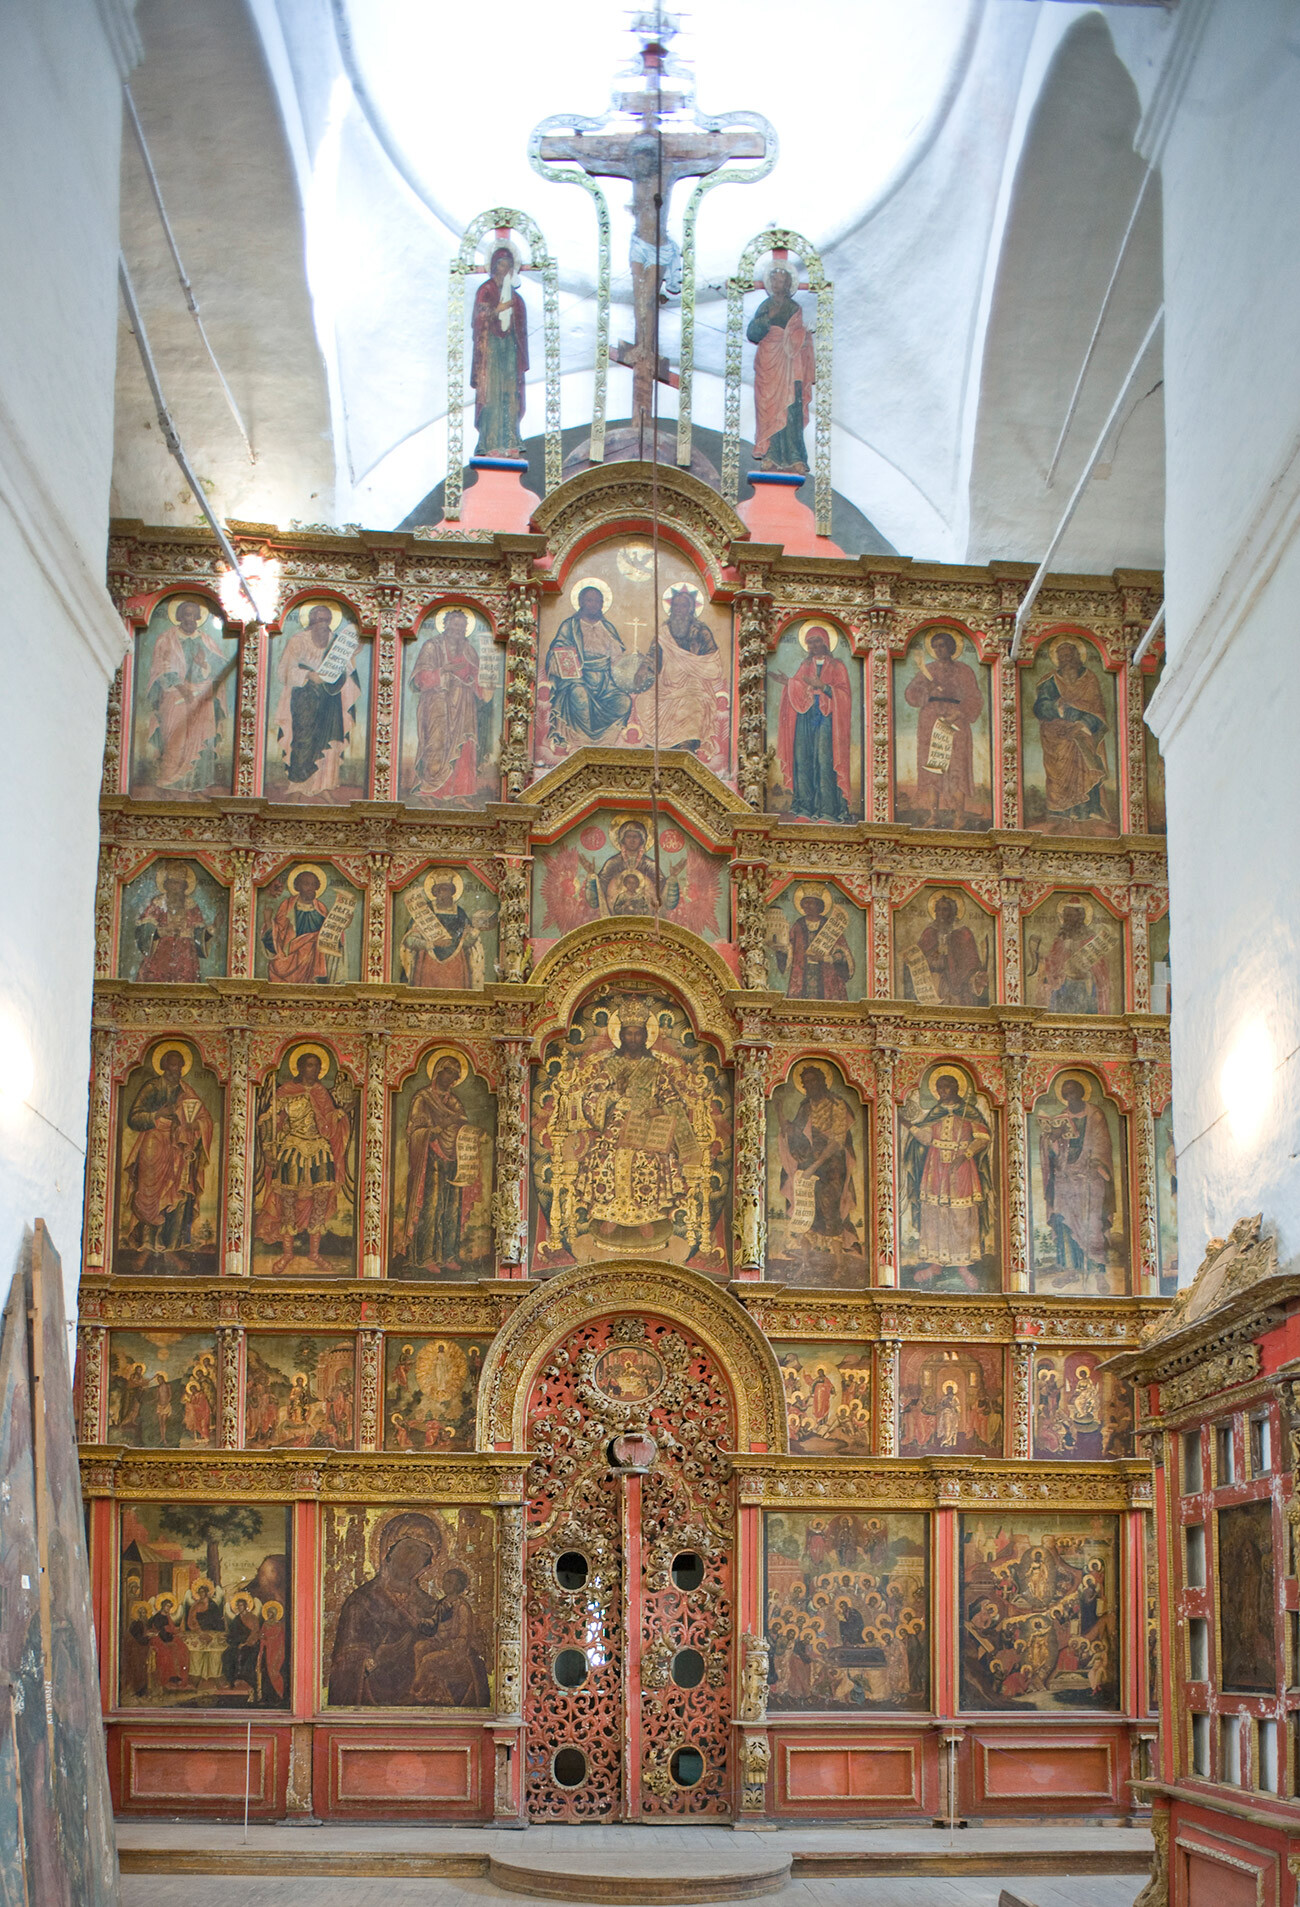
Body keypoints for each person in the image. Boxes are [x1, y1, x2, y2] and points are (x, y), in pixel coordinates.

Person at [562, 1001, 700, 1253]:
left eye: (638, 1033)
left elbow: (672, 1100)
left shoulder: (656, 1069)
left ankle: (647, 1218)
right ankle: (610, 1216)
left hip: (647, 1126)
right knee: (606, 1157)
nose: (633, 1038)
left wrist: (659, 1110)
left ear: (645, 1036)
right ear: (621, 1036)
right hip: (615, 1126)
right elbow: (590, 1097)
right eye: (628, 1033)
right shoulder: (610, 1067)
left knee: (647, 1159)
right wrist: (615, 1093)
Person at [327, 1513, 446, 1706]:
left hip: (422, 1704)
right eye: (409, 1549)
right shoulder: (361, 1601)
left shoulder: (430, 1605)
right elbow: (344, 1665)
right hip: (370, 1702)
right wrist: (376, 1658)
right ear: (388, 1551)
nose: (414, 1559)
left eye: (423, 1554)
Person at [255, 1049, 352, 1272]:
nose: (314, 1069)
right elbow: (274, 1118)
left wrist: (340, 1114)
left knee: (320, 1198)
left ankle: (314, 1253)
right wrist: (267, 1121)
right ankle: (287, 1254)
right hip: (293, 1150)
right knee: (287, 1199)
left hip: (320, 1150)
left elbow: (329, 1120)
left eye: (317, 1066)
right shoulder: (286, 1091)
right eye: (310, 1065)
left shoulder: (321, 1092)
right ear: (300, 1068)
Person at [901, 1071, 994, 1290]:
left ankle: (962, 1266)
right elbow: (927, 1138)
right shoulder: (936, 1112)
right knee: (934, 1213)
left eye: (947, 1087)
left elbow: (983, 1137)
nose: (943, 1092)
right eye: (939, 1088)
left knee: (960, 1214)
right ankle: (935, 1264)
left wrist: (966, 1153)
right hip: (935, 1167)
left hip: (961, 1166)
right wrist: (909, 1125)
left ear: (956, 1089)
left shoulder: (969, 1112)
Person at [123, 1045, 214, 1257]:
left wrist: (195, 1127)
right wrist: (156, 1114)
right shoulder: (152, 1087)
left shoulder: (186, 1092)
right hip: (154, 1144)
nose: (178, 1069)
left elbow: (204, 1118)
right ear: (164, 1066)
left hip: (178, 1149)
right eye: (174, 1065)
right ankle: (147, 1240)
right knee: (150, 1189)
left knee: (178, 1191)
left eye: (181, 1066)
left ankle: (172, 1242)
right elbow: (134, 1117)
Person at [272, 602, 360, 796]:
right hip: (305, 698)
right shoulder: (298, 641)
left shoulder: (336, 642)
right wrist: (308, 675)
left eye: (327, 620)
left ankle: (323, 786)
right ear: (311, 621)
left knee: (328, 742)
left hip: (330, 700)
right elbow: (283, 671)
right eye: (319, 620)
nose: (323, 624)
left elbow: (344, 672)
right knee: (303, 739)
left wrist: (350, 657)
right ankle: (299, 785)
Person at [142, 598, 230, 792]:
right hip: (174, 693)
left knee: (204, 718)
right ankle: (170, 779)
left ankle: (197, 784)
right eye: (186, 615)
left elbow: (219, 668)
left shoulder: (206, 640)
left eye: (194, 615)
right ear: (180, 617)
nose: (190, 619)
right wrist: (182, 688)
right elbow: (160, 668)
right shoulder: (167, 639)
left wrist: (203, 665)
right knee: (175, 733)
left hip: (201, 691)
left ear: (199, 618)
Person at [402, 1055, 479, 1274]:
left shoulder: (453, 1101)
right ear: (438, 1072)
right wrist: (432, 1131)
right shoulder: (423, 1098)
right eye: (449, 1073)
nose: (452, 1079)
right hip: (430, 1158)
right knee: (432, 1204)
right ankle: (425, 1256)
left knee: (452, 1206)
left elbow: (461, 1120)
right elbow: (413, 1131)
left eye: (455, 1076)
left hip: (452, 1156)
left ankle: (449, 1255)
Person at [776, 1063, 861, 1262]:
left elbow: (838, 1141)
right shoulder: (806, 1106)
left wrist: (815, 1166)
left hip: (831, 1164)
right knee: (806, 1209)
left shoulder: (836, 1104)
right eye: (806, 1083)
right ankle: (806, 1261)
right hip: (808, 1162)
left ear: (822, 1082)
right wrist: (779, 1112)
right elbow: (793, 1136)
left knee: (829, 1207)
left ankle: (840, 1264)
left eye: (813, 1081)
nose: (810, 1086)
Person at [1038, 1076, 1116, 1290]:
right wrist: (1052, 1137)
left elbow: (1103, 1145)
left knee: (1093, 1224)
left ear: (1081, 1093)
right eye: (1066, 1094)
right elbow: (1051, 1149)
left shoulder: (1095, 1116)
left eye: (1072, 1093)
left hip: (1090, 1177)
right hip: (1065, 1177)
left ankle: (1098, 1270)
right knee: (1064, 1222)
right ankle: (1070, 1270)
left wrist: (1095, 1160)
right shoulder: (1061, 1118)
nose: (1069, 1097)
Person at [408, 607, 495, 799]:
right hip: (437, 703)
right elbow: (419, 679)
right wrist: (443, 671)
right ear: (445, 626)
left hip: (464, 704)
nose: (458, 630)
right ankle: (429, 792)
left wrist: (483, 687)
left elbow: (478, 678)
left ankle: (461, 794)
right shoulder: (432, 647)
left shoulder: (469, 650)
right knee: (436, 743)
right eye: (454, 625)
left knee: (465, 746)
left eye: (462, 626)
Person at [545, 583, 647, 746]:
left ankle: (606, 741)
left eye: (598, 601)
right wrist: (569, 665)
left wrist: (634, 662)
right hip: (578, 679)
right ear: (581, 602)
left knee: (623, 702)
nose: (594, 604)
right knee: (580, 697)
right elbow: (556, 651)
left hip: (605, 682)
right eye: (590, 600)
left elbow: (617, 660)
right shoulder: (570, 626)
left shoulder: (607, 628)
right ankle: (581, 740)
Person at [902, 631, 986, 825]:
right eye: (936, 646)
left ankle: (959, 816)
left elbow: (974, 697)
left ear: (951, 648)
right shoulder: (928, 670)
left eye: (943, 645)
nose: (939, 650)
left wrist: (957, 714)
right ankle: (933, 815)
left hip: (956, 719)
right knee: (933, 767)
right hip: (930, 720)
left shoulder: (964, 670)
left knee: (957, 766)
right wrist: (927, 690)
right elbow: (911, 694)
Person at [774, 625, 853, 821]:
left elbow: (844, 694)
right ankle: (805, 809)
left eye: (817, 641)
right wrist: (788, 683)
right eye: (810, 642)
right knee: (803, 758)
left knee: (825, 759)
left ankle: (828, 810)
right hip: (806, 715)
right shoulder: (805, 665)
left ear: (825, 642)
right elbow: (800, 685)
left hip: (826, 717)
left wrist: (824, 687)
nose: (814, 646)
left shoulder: (837, 666)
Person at [641, 586, 725, 761]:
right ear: (671, 608)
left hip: (693, 682)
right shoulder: (664, 631)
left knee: (691, 703)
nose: (679, 610)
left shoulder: (701, 631)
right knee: (646, 700)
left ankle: (686, 744)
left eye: (683, 606)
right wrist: (645, 669)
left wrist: (694, 659)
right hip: (666, 683)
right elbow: (653, 656)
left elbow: (712, 661)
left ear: (691, 609)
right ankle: (658, 744)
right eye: (676, 606)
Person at [1032, 640, 1111, 826]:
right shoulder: (1050, 681)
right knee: (1060, 764)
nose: (1066, 660)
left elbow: (1097, 708)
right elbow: (1040, 707)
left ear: (1077, 657)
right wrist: (1056, 708)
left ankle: (1086, 810)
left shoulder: (1089, 679)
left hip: (1083, 730)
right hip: (1056, 732)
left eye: (1069, 656)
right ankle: (1062, 811)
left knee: (1084, 754)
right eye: (1062, 657)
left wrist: (1082, 724)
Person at [747, 267, 815, 471]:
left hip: (790, 362)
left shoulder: (794, 308)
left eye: (782, 281)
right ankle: (771, 452)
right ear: (770, 284)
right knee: (769, 407)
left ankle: (795, 456)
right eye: (775, 281)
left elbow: (798, 333)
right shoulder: (765, 306)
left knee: (791, 406)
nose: (779, 285)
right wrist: (766, 319)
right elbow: (753, 333)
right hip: (770, 360)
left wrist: (802, 336)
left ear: (788, 285)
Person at [471, 246, 528, 458]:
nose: (505, 270)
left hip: (509, 351)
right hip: (491, 351)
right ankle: (491, 441)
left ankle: (511, 439)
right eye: (502, 265)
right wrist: (499, 310)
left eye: (509, 266)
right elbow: (479, 318)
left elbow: (520, 328)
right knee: (493, 394)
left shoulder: (516, 298)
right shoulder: (486, 290)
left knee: (510, 392)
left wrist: (513, 312)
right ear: (495, 266)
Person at [410, 1567, 490, 1707]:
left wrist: (451, 1645)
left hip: (456, 1649)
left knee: (428, 1660)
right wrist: (422, 1621)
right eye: (445, 1581)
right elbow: (435, 1621)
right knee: (419, 1647)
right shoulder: (442, 1603)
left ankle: (416, 1688)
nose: (446, 1584)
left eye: (451, 1582)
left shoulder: (462, 1607)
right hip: (441, 1643)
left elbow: (463, 1635)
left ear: (459, 1585)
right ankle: (426, 1689)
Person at [1027, 899, 1116, 1014]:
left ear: (1080, 917)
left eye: (1070, 916)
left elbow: (1101, 973)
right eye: (1065, 916)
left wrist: (1084, 969)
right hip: (1063, 988)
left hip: (1085, 988)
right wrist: (1039, 957)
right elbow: (1053, 963)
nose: (1066, 920)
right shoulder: (1061, 939)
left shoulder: (1091, 940)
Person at [399, 874, 487, 989]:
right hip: (428, 964)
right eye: (439, 890)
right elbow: (410, 940)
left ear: (452, 892)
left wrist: (473, 933)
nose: (443, 894)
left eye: (446, 890)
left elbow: (466, 944)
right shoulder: (425, 911)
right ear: (435, 893)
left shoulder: (460, 913)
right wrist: (431, 944)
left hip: (456, 966)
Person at [581, 820, 680, 919]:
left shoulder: (650, 865)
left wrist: (672, 878)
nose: (632, 840)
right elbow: (598, 896)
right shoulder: (612, 864)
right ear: (622, 839)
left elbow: (664, 896)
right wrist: (591, 875)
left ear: (642, 840)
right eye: (629, 836)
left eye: (635, 837)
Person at [903, 892, 988, 1006]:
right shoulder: (929, 933)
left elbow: (972, 960)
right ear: (935, 912)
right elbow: (919, 956)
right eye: (938, 910)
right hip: (932, 984)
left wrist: (967, 972)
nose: (941, 913)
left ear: (953, 912)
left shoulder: (964, 933)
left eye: (945, 910)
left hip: (957, 986)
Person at [770, 887, 856, 1000]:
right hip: (802, 975)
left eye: (811, 903)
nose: (807, 906)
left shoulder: (830, 925)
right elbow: (788, 948)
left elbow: (843, 954)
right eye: (805, 903)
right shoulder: (798, 925)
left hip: (827, 977)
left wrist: (825, 958)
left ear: (819, 906)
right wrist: (780, 950)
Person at [134, 862, 213, 982]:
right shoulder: (158, 904)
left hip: (185, 957)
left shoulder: (191, 906)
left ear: (185, 886)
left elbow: (198, 934)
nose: (175, 887)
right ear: (166, 885)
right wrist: (161, 932)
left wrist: (208, 932)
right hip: (161, 955)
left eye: (179, 884)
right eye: (172, 883)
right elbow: (143, 930)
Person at [263, 867, 338, 984]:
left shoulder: (321, 908)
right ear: (298, 886)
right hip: (291, 953)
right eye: (306, 884)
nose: (310, 888)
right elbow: (277, 932)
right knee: (279, 965)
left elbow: (329, 932)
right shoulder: (287, 905)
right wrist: (268, 921)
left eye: (313, 884)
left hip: (314, 957)